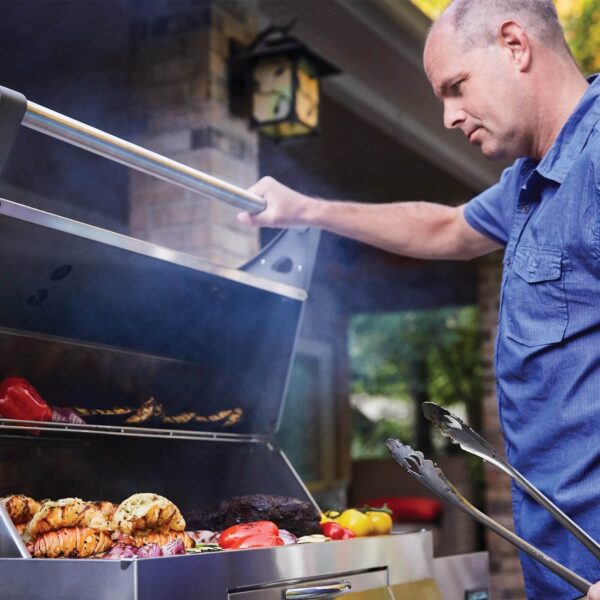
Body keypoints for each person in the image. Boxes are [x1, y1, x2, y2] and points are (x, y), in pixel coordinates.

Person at [238, 1, 600, 598]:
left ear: (515, 44)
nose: (449, 117)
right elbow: (445, 229)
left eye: (456, 87)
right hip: (562, 565)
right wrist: (306, 210)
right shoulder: (529, 183)